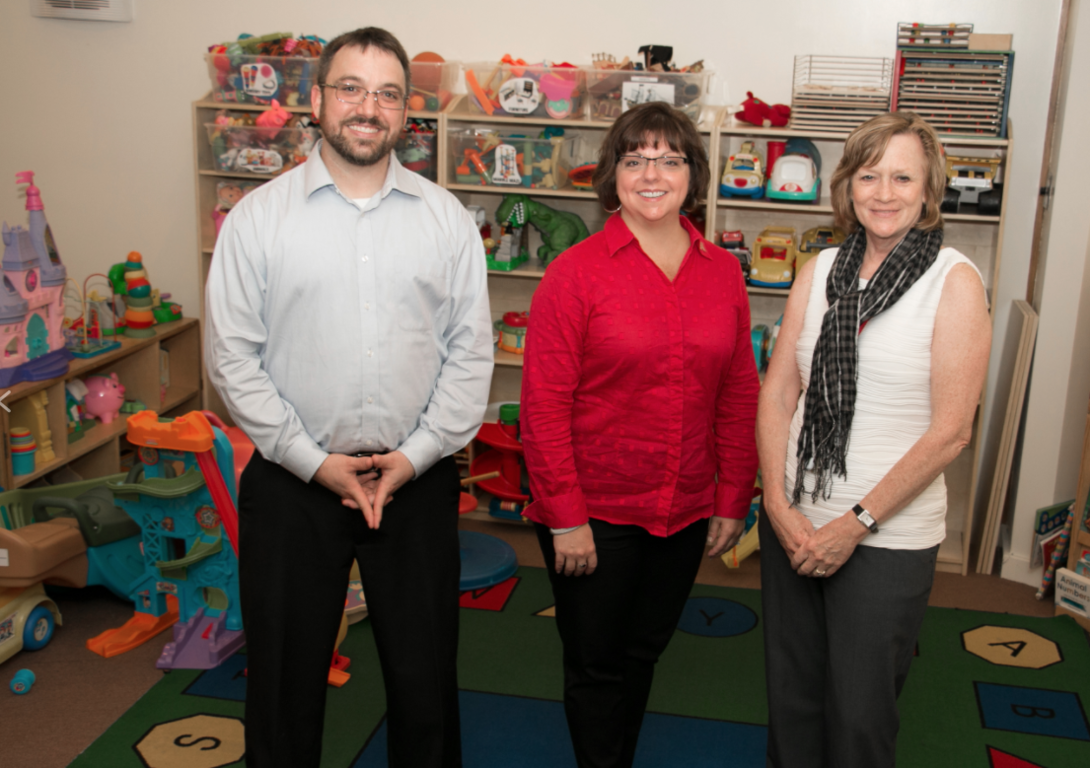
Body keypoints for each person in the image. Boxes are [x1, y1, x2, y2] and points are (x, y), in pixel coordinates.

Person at [204, 27, 493, 768]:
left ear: (407, 114)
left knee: (426, 686)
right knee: (282, 686)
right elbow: (232, 358)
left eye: (388, 94)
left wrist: (418, 454)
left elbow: (470, 353)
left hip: (416, 479)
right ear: (316, 99)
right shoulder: (258, 219)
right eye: (351, 89)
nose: (369, 107)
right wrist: (310, 461)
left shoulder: (446, 220)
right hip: (292, 482)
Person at [520, 101, 760, 768]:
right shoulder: (576, 274)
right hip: (593, 513)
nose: (652, 173)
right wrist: (565, 517)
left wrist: (733, 495)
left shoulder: (724, 273)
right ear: (613, 174)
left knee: (643, 652)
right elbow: (542, 407)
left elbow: (739, 394)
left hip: (683, 509)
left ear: (693, 173)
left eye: (670, 159)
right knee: (596, 666)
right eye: (635, 159)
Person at [756, 111, 991, 768]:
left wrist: (854, 524)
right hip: (795, 522)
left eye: (902, 176)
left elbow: (952, 433)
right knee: (792, 704)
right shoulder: (821, 269)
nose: (884, 192)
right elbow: (778, 393)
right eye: (869, 175)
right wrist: (775, 503)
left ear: (927, 189)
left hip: (884, 538)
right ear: (847, 185)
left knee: (860, 719)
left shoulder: (954, 282)